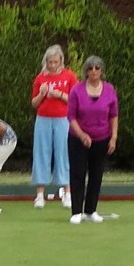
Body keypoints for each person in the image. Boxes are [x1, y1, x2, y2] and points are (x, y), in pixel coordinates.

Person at [66, 55, 119, 224]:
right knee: (78, 174)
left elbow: (114, 115)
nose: (94, 71)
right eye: (90, 68)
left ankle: (90, 210)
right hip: (78, 138)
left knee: (96, 175)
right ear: (86, 71)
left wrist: (114, 137)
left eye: (97, 68)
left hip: (102, 138)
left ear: (101, 71)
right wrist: (82, 135)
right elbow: (71, 116)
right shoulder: (77, 90)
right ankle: (76, 212)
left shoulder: (109, 90)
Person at [28, 45, 77, 209]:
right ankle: (40, 195)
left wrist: (60, 95)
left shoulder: (69, 76)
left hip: (63, 120)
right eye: (50, 62)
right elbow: (34, 104)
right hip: (43, 120)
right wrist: (42, 94)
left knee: (64, 153)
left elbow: (76, 100)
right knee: (41, 153)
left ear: (61, 61)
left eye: (55, 62)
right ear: (45, 62)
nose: (53, 65)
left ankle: (67, 193)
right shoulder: (40, 78)